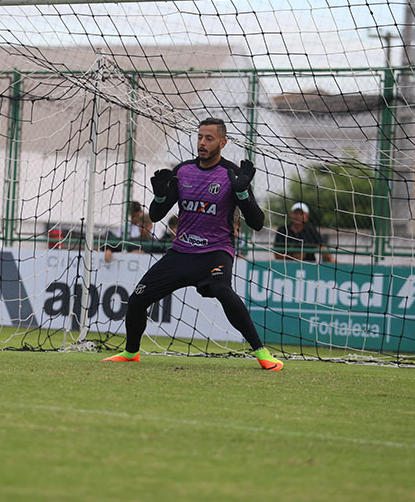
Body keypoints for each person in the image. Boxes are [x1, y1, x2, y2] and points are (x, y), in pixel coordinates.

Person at [103, 117, 284, 371]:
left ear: (222, 142)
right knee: (136, 301)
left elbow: (256, 222)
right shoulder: (183, 171)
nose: (202, 143)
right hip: (181, 253)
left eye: (209, 138)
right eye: (199, 137)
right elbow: (156, 215)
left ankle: (262, 353)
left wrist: (242, 193)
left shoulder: (232, 174)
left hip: (215, 253)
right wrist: (160, 195)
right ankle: (131, 352)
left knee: (223, 290)